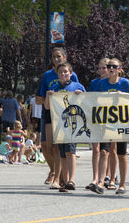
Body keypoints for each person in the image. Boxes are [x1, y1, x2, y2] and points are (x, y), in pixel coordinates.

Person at [36, 47, 79, 186]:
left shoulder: (72, 75)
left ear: (64, 58)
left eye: (59, 56)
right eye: (54, 57)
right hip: (49, 112)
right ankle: (55, 172)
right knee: (48, 146)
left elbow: (78, 93)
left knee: (59, 146)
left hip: (66, 115)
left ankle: (59, 178)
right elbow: (39, 98)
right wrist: (49, 97)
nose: (56, 59)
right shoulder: (47, 75)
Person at [91, 58, 129, 195]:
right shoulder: (102, 83)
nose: (111, 68)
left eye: (114, 66)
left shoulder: (125, 83)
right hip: (106, 122)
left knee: (120, 154)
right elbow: (93, 99)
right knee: (104, 152)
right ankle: (101, 182)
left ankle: (122, 184)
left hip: (121, 123)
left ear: (120, 69)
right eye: (109, 66)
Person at [45, 62, 86, 192]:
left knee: (70, 152)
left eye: (66, 72)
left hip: (73, 124)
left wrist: (81, 96)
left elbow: (87, 103)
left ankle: (72, 179)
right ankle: (64, 179)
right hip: (60, 124)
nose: (63, 74)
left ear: (71, 73)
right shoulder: (55, 88)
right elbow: (47, 107)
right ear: (57, 75)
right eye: (61, 72)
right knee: (61, 153)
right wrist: (48, 96)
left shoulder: (77, 86)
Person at [86, 58, 110, 190]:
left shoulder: (112, 83)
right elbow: (89, 99)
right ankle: (95, 178)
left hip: (109, 118)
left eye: (104, 67)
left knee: (107, 150)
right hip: (96, 117)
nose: (101, 70)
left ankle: (108, 176)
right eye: (99, 67)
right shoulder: (94, 83)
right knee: (95, 148)